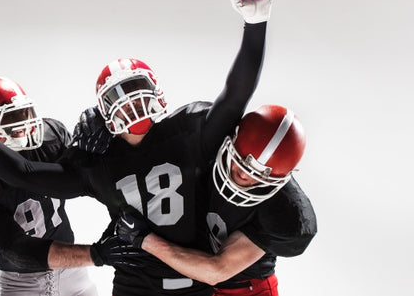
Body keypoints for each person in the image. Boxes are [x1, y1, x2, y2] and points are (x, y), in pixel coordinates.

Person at [0, 0, 272, 296]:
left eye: (139, 93)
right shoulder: (102, 162)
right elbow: (22, 175)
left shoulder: (184, 132)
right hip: (134, 284)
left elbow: (236, 96)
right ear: (104, 114)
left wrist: (255, 25)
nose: (133, 105)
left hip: (194, 280)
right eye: (120, 99)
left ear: (160, 95)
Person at [116, 104, 318, 296]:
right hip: (195, 283)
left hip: (245, 288)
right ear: (231, 139)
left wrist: (144, 239)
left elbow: (216, 270)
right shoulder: (208, 149)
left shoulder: (281, 210)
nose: (243, 176)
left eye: (259, 176)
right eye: (239, 161)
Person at [0, 77, 100, 295]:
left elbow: (82, 185)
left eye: (22, 113)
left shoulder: (51, 138)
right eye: (9, 118)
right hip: (19, 283)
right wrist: (99, 254)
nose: (21, 126)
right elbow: (17, 250)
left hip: (72, 274)